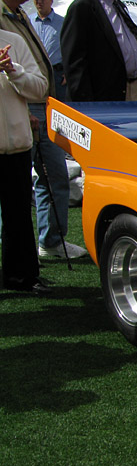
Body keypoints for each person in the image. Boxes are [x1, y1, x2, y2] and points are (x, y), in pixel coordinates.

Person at [2, 0, 85, 260]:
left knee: (44, 176)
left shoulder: (20, 15)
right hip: (23, 106)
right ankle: (32, 245)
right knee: (39, 177)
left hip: (44, 99)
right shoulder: (8, 18)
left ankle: (45, 240)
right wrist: (22, 112)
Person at [0, 28, 49, 293]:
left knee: (18, 214)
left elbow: (40, 88)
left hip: (16, 145)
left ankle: (21, 277)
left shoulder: (13, 41)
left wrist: (13, 70)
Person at [29, 0, 63, 99]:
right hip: (34, 73)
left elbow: (72, 49)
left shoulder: (62, 23)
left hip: (57, 76)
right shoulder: (28, 22)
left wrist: (68, 73)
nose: (39, 1)